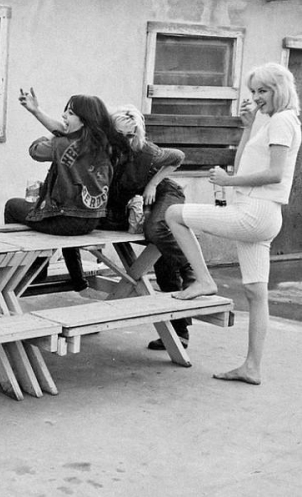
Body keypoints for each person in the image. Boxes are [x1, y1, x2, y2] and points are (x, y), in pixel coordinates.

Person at [165, 63, 301, 385]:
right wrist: (246, 127)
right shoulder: (271, 122)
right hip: (260, 214)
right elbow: (243, 165)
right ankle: (251, 367)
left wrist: (228, 180)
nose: (256, 97)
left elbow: (275, 174)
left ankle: (203, 280)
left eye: (263, 91)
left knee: (174, 215)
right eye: (253, 91)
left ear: (279, 89)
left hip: (254, 213)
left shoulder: (282, 120)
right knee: (256, 293)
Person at [4, 88, 118, 295]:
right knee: (67, 217)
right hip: (91, 220)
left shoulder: (61, 144)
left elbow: (35, 150)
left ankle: (34, 268)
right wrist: (37, 112)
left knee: (13, 206)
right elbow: (74, 135)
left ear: (84, 120)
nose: (63, 116)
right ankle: (79, 283)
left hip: (65, 222)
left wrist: (54, 133)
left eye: (70, 113)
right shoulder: (106, 145)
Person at [104, 105, 195, 350]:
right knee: (162, 256)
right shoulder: (108, 151)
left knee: (157, 232)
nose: (125, 140)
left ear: (138, 133)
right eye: (120, 134)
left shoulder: (147, 151)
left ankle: (192, 271)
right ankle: (179, 333)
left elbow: (177, 157)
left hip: (166, 194)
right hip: (142, 206)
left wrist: (153, 184)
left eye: (131, 135)